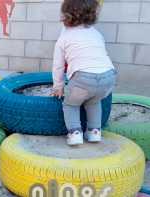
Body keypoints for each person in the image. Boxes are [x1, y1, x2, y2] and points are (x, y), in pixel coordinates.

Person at [51, 0, 116, 146]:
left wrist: (58, 87)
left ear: (65, 16)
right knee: (93, 101)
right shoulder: (96, 33)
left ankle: (75, 134)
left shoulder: (64, 38)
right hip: (108, 77)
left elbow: (58, 66)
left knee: (71, 104)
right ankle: (94, 132)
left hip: (83, 79)